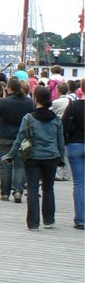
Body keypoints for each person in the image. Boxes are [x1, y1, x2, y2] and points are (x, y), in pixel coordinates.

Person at [2, 85, 65, 231]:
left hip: (32, 157)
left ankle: (33, 223)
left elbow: (19, 138)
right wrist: (61, 158)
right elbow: (60, 141)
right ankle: (49, 220)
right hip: (51, 157)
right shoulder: (55, 119)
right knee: (48, 188)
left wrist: (10, 155)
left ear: (35, 99)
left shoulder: (29, 118)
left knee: (32, 188)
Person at [0, 76, 33, 203]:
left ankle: (5, 193)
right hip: (21, 138)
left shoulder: (3, 102)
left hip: (5, 136)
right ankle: (18, 191)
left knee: (5, 165)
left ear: (8, 88)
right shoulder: (28, 102)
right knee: (20, 165)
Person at [62, 92, 84, 229]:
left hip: (75, 144)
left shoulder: (73, 106)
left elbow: (63, 126)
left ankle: (81, 219)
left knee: (79, 183)